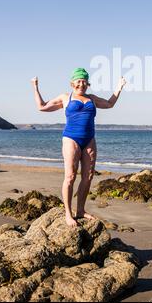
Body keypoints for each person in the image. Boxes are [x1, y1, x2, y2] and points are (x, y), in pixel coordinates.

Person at [31, 68, 126, 227]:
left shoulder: (92, 99)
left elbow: (110, 104)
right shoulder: (65, 98)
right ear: (72, 83)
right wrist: (35, 86)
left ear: (87, 84)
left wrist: (119, 86)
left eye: (84, 81)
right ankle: (68, 213)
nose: (81, 84)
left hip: (89, 140)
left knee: (88, 176)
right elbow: (41, 106)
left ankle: (80, 210)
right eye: (78, 81)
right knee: (70, 176)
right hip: (71, 139)